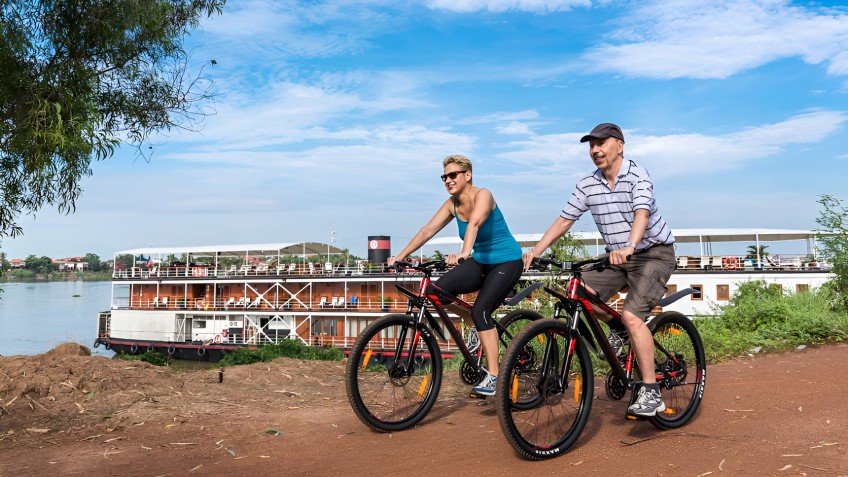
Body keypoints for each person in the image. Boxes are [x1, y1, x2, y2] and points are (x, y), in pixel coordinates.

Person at [523, 123, 676, 417]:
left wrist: (631, 245)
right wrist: (536, 251)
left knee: (633, 315)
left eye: (601, 142)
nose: (595, 149)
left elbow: (641, 213)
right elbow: (565, 220)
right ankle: (617, 328)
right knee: (578, 294)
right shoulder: (587, 184)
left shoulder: (638, 175)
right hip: (616, 258)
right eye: (591, 144)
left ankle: (650, 391)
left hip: (653, 254)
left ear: (619, 145)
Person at [388, 155, 523, 396]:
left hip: (507, 261)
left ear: (467, 175)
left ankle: (493, 376)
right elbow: (427, 230)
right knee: (433, 292)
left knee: (481, 308)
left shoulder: (484, 195)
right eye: (444, 177)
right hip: (481, 261)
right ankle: (472, 321)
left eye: (453, 175)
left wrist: (463, 254)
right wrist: (399, 256)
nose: (448, 180)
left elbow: (474, 224)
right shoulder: (451, 203)